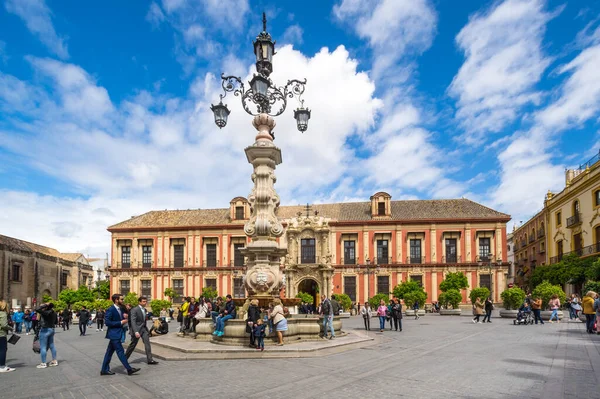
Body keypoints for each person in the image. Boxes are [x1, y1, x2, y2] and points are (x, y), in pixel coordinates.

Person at [101, 293, 140, 376]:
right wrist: (120, 322)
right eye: (121, 299)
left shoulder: (121, 309)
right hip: (114, 334)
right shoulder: (110, 309)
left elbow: (126, 316)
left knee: (109, 353)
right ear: (116, 300)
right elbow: (107, 322)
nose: (123, 301)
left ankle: (104, 370)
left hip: (118, 333)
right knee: (120, 351)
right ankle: (129, 369)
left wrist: (125, 317)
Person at [125, 296, 158, 365]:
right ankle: (124, 358)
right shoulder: (134, 310)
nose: (145, 303)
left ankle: (150, 359)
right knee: (133, 344)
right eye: (143, 301)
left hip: (144, 329)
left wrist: (152, 318)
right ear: (139, 302)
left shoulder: (145, 310)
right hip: (137, 330)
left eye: (146, 301)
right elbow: (133, 321)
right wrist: (136, 331)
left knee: (147, 343)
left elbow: (145, 318)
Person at [35, 302, 58, 368]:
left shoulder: (46, 313)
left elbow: (37, 309)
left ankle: (43, 363)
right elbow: (56, 322)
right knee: (52, 345)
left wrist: (44, 305)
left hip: (45, 330)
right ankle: (54, 360)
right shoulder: (54, 312)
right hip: (52, 329)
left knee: (43, 347)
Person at [0, 300, 15, 372]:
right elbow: (4, 325)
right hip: (1, 334)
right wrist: (10, 328)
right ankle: (2, 366)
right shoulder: (2, 313)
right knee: (3, 349)